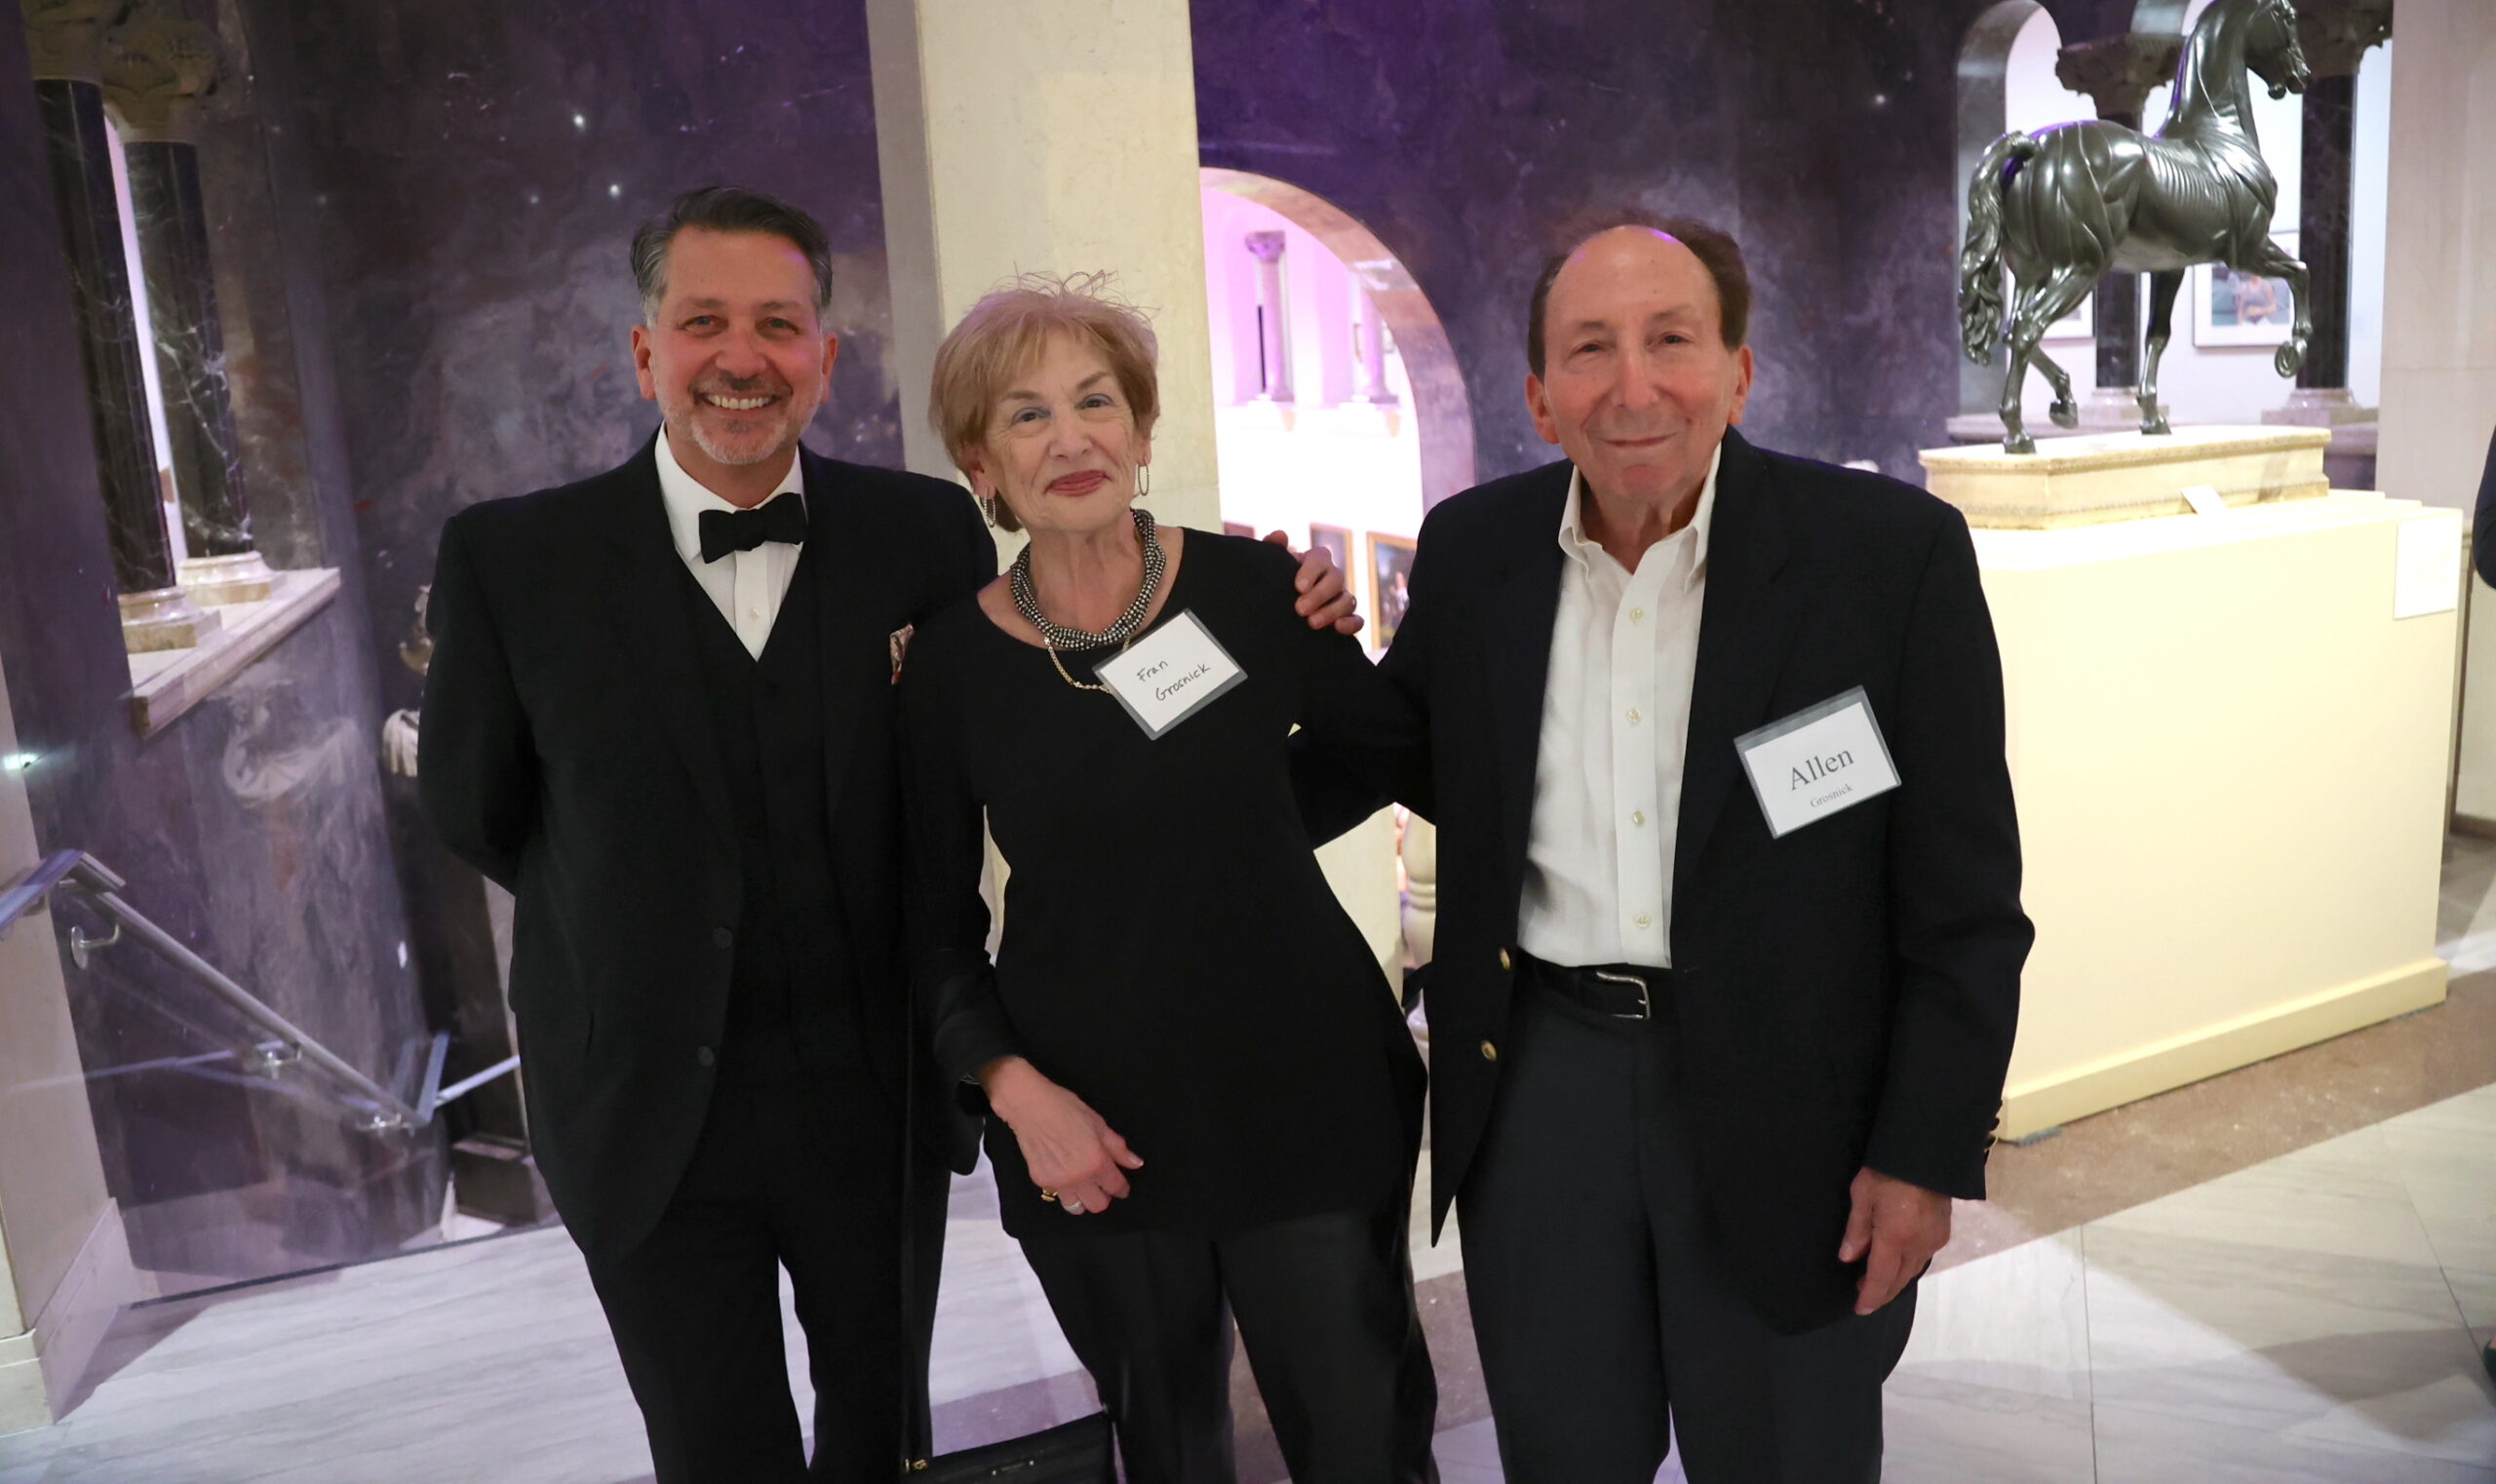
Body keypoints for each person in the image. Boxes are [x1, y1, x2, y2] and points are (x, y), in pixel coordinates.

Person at [418, 189, 1360, 1484]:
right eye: (704, 322)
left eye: (777, 324)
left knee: (883, 1436)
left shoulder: (918, 534)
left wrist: (1284, 597)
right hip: (642, 1107)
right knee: (713, 1446)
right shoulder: (512, 559)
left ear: (823, 356)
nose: (741, 358)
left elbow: (1045, 717)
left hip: (871, 1102)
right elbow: (477, 811)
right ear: (646, 352)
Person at [1297, 216, 2034, 1484]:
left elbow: (1965, 903)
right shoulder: (1477, 551)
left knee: (1790, 1449)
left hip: (1795, 1095)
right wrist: (1277, 643)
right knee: (1567, 1449)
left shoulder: (1885, 559)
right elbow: (1396, 755)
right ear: (1538, 394)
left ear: (1740, 371)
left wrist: (1922, 1150)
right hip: (1542, 1090)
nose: (1633, 387)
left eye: (1672, 341)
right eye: (1590, 348)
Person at [900, 276, 1440, 1484]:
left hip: (1303, 1092)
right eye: (1026, 415)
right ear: (982, 464)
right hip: (1092, 1121)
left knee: (1365, 1443)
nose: (1071, 437)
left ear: (1144, 435)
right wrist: (1012, 1089)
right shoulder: (947, 668)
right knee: (1170, 1454)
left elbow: (1396, 753)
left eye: (1097, 402)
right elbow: (927, 922)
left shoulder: (1258, 593)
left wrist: (1245, 822)